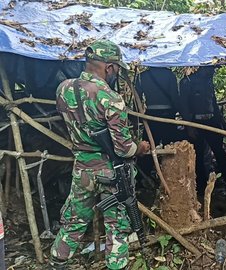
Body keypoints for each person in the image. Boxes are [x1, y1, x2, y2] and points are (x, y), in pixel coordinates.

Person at [50, 40, 150, 269]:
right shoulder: (110, 98)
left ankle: (57, 262)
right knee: (117, 225)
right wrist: (141, 148)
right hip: (111, 171)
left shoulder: (63, 89)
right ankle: (116, 265)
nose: (115, 73)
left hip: (83, 168)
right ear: (109, 67)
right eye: (116, 68)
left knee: (73, 221)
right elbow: (124, 148)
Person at [178, 66, 226, 196]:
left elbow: (214, 105)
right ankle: (200, 189)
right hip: (195, 122)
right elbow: (183, 106)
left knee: (220, 153)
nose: (213, 72)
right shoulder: (187, 82)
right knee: (198, 156)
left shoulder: (208, 82)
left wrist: (223, 125)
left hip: (211, 122)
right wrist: (190, 126)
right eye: (211, 69)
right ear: (202, 68)